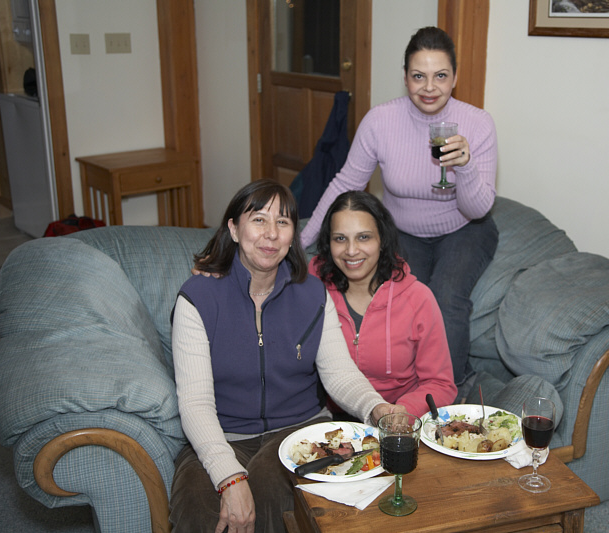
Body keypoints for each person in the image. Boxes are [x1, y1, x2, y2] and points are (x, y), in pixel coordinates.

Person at [169, 179, 403, 533]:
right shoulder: (197, 299)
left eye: (283, 222)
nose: (271, 233)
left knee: (266, 497)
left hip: (301, 429)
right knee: (201, 513)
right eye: (259, 219)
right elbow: (196, 402)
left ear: (294, 234)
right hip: (222, 434)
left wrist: (376, 406)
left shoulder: (311, 295)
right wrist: (229, 477)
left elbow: (339, 373)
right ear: (233, 228)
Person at [300, 26, 499, 402]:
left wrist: (465, 166)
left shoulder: (478, 123)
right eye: (418, 76)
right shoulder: (381, 121)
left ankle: (448, 401)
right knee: (398, 297)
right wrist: (303, 239)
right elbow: (347, 183)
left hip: (465, 227)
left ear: (455, 78)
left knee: (445, 297)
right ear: (405, 77)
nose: (429, 87)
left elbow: (478, 207)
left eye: (440, 76)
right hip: (403, 230)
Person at [309, 191, 457, 417]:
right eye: (340, 238)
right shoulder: (311, 291)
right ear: (328, 244)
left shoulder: (418, 299)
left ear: (382, 240)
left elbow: (440, 384)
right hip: (332, 420)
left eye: (363, 237)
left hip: (402, 421)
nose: (351, 250)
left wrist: (402, 411)